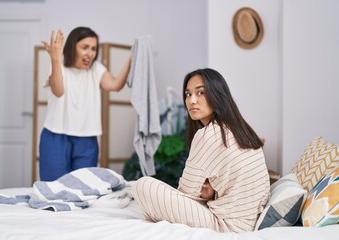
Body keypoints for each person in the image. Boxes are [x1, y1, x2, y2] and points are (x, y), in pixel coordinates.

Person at [132, 68, 270, 232]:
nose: (192, 101)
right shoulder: (242, 131)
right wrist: (210, 193)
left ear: (217, 95)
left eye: (200, 93)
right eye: (188, 94)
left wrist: (205, 194)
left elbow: (185, 193)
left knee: (142, 185)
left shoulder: (209, 134)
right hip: (250, 221)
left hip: (227, 225)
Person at [39, 27, 131, 181]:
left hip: (87, 140)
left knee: (84, 190)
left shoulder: (96, 69)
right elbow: (58, 90)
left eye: (94, 49)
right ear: (72, 47)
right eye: (84, 47)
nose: (90, 53)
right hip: (56, 137)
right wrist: (55, 59)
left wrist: (131, 59)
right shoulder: (59, 65)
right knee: (54, 189)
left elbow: (115, 85)